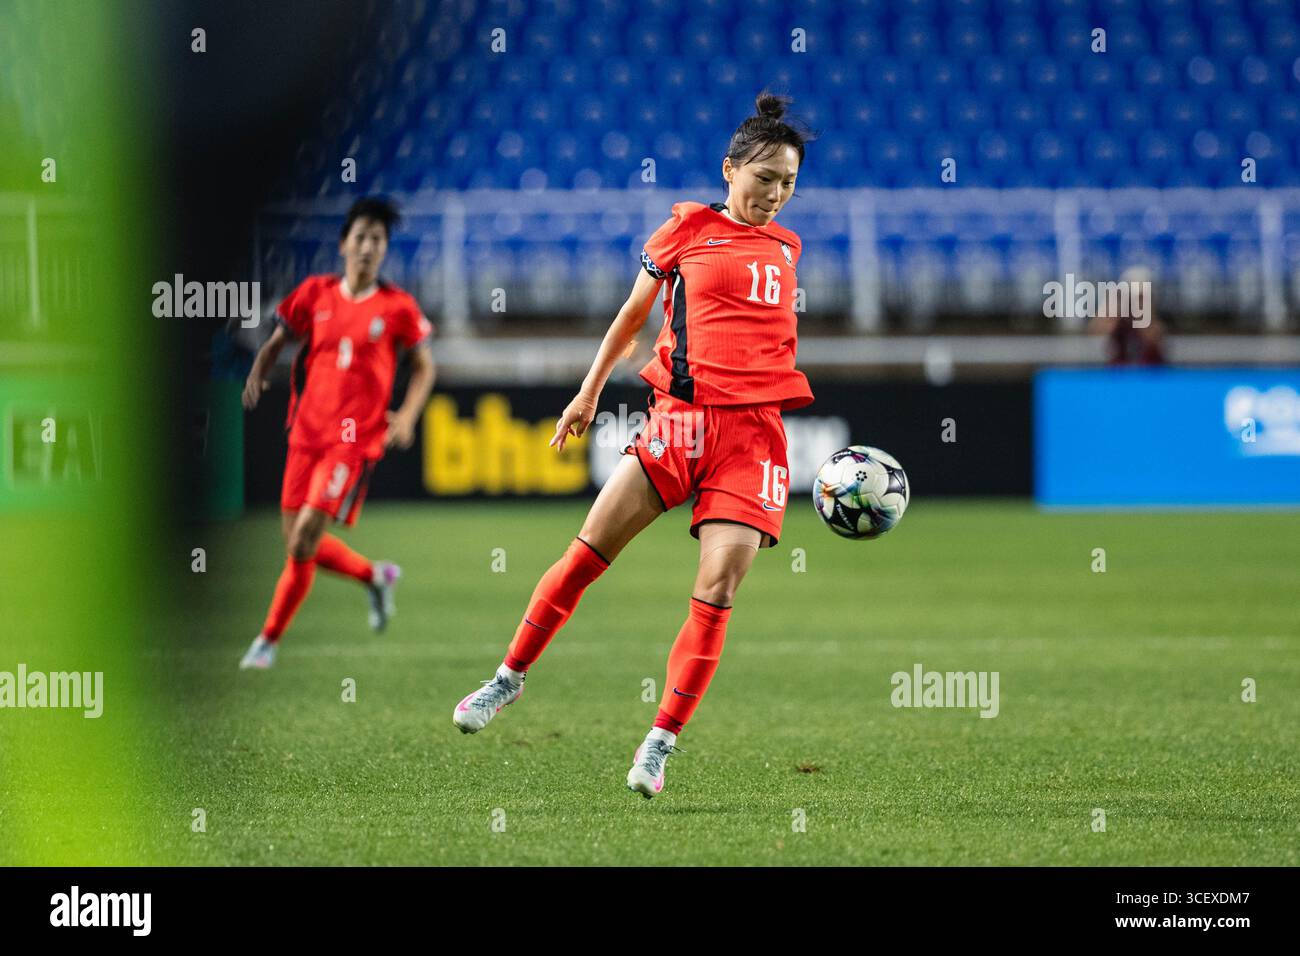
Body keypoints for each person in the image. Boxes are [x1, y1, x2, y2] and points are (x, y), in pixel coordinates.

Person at [452, 92, 816, 798]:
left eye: (789, 185)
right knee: (586, 555)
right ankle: (508, 678)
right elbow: (630, 317)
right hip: (677, 422)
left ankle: (659, 742)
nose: (775, 196)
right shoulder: (685, 229)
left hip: (754, 438)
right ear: (729, 170)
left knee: (717, 589)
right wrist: (588, 392)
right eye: (764, 179)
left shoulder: (788, 247)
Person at [239, 196, 436, 669]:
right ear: (344, 243)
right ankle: (374, 576)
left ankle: (267, 640)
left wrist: (407, 416)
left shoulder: (397, 307)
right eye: (362, 237)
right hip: (306, 431)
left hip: (352, 442)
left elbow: (424, 366)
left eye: (378, 240)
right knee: (297, 544)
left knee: (307, 531)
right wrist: (260, 369)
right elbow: (279, 340)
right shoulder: (315, 294)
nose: (369, 247)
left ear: (385, 251)